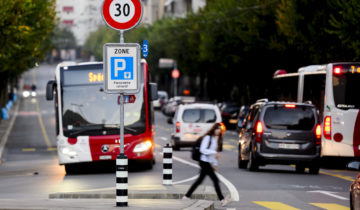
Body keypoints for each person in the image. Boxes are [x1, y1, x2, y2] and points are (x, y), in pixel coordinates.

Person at [182, 122, 232, 207]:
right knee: (215, 180)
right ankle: (222, 199)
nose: (218, 131)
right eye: (217, 129)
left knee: (199, 180)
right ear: (213, 129)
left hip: (207, 162)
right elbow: (202, 150)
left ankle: (186, 196)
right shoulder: (207, 137)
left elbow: (213, 155)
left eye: (220, 130)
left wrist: (215, 164)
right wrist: (214, 153)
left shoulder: (215, 139)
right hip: (203, 161)